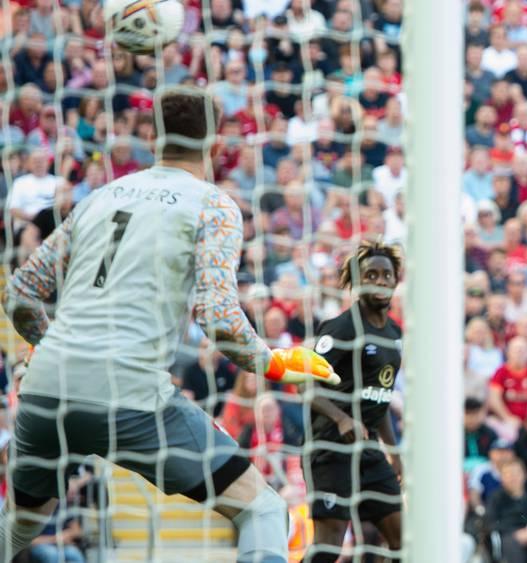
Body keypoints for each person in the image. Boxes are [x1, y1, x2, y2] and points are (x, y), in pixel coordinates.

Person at [2, 87, 333, 563]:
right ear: (216, 145)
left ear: (154, 139)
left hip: (45, 390)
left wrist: (52, 343)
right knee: (262, 509)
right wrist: (275, 362)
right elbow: (218, 318)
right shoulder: (212, 205)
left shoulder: (99, 197)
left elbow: (19, 294)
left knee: (19, 526)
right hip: (129, 395)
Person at [307, 240, 404, 562]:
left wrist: (393, 451)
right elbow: (307, 386)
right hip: (330, 449)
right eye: (371, 274)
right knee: (329, 546)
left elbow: (380, 399)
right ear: (357, 282)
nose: (380, 280)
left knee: (405, 541)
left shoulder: (394, 334)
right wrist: (341, 418)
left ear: (395, 280)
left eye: (386, 274)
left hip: (369, 452)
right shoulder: (341, 328)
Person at [485, 459, 527, 563]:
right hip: (509, 538)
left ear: (524, 475)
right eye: (508, 474)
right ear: (502, 477)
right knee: (509, 542)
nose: (513, 477)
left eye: (516, 473)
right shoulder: (495, 498)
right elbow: (490, 523)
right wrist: (515, 533)